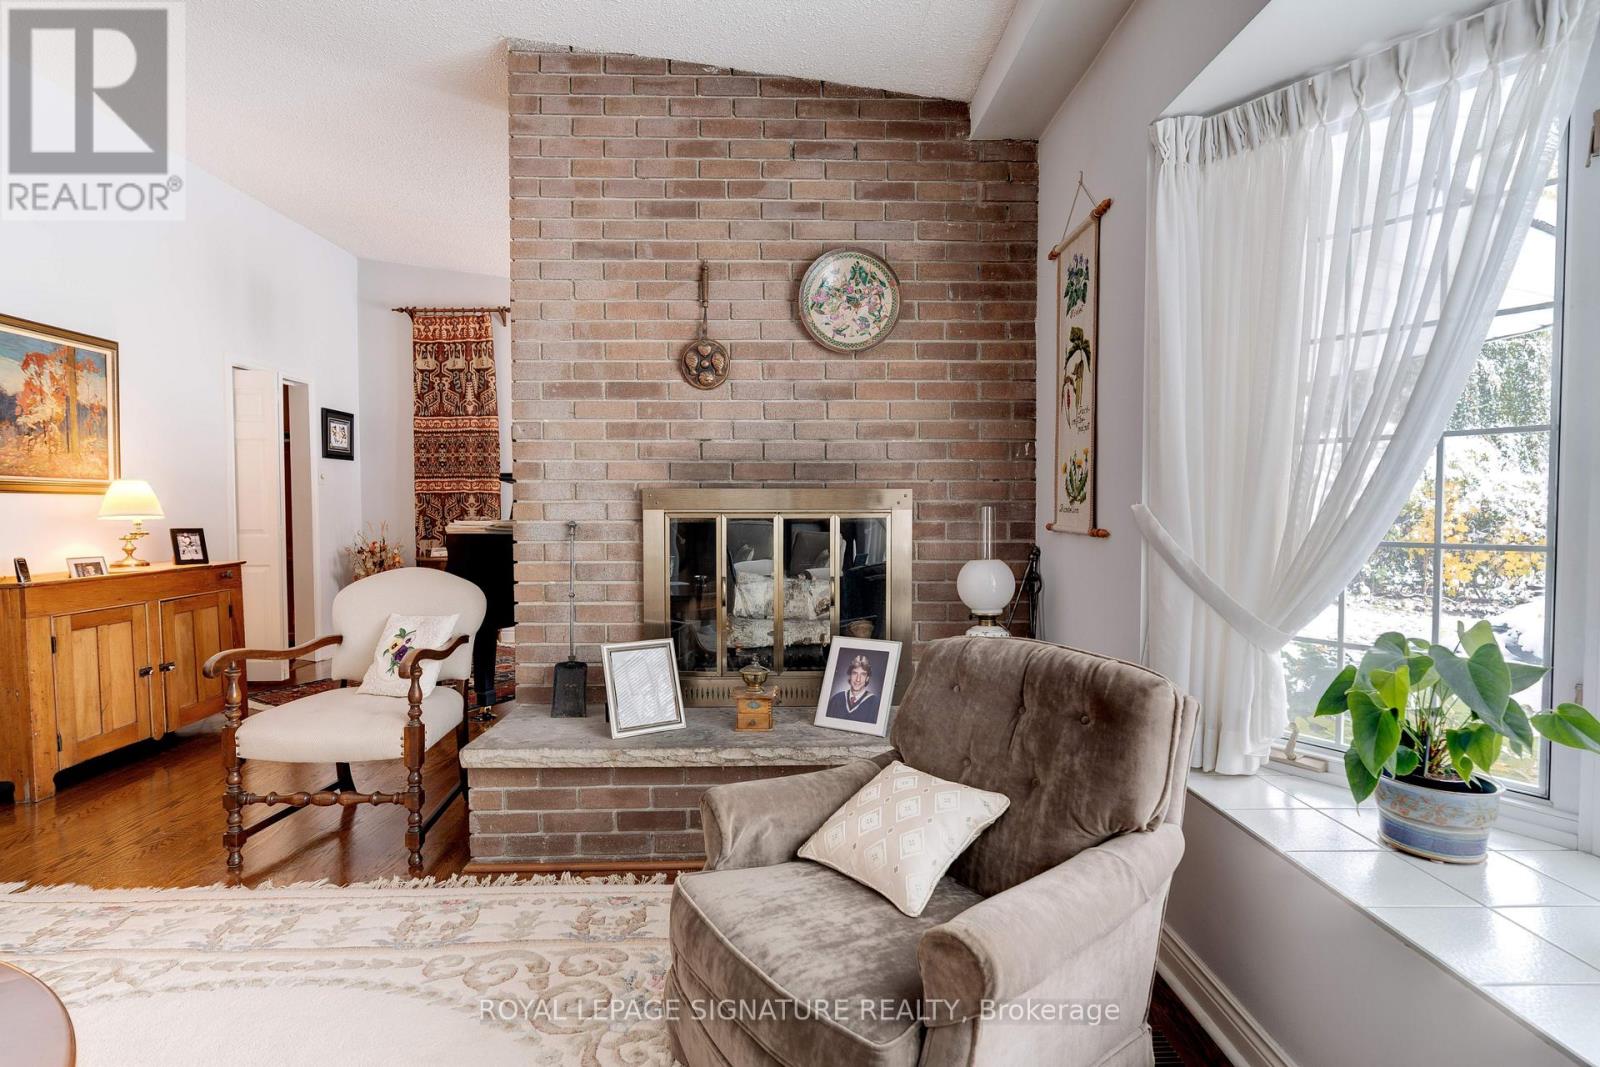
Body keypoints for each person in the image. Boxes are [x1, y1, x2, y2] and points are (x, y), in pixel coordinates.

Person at [826, 653, 879, 723]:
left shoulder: (875, 703)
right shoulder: (836, 699)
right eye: (854, 673)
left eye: (863, 674)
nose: (858, 679)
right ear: (850, 675)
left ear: (867, 678)